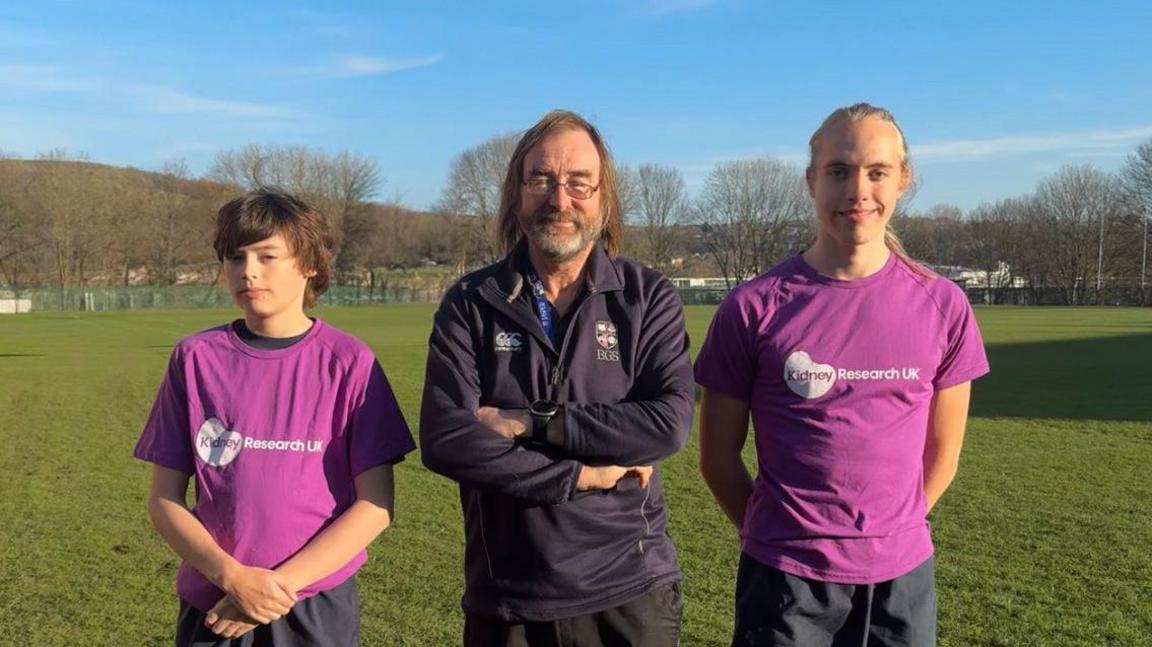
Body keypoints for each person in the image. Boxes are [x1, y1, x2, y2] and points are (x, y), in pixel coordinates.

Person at [695, 103, 990, 646]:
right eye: (839, 171)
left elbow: (944, 454)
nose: (858, 190)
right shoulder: (752, 308)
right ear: (811, 181)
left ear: (903, 181)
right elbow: (716, 459)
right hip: (785, 584)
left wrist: (887, 535)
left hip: (902, 583)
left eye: (877, 172)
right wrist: (779, 538)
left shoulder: (943, 305)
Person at [420, 109, 694, 646]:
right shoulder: (472, 303)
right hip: (510, 600)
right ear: (517, 194)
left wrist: (530, 422)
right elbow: (447, 440)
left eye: (578, 183)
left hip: (630, 591)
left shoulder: (647, 296)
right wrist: (575, 478)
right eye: (541, 179)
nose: (560, 199)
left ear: (603, 196)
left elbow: (666, 425)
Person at [134, 189, 415, 646]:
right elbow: (163, 500)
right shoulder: (194, 358)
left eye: (268, 256)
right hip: (216, 605)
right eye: (235, 257)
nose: (248, 271)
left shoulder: (349, 362)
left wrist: (273, 591)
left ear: (310, 264)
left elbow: (376, 505)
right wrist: (234, 580)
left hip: (313, 607)